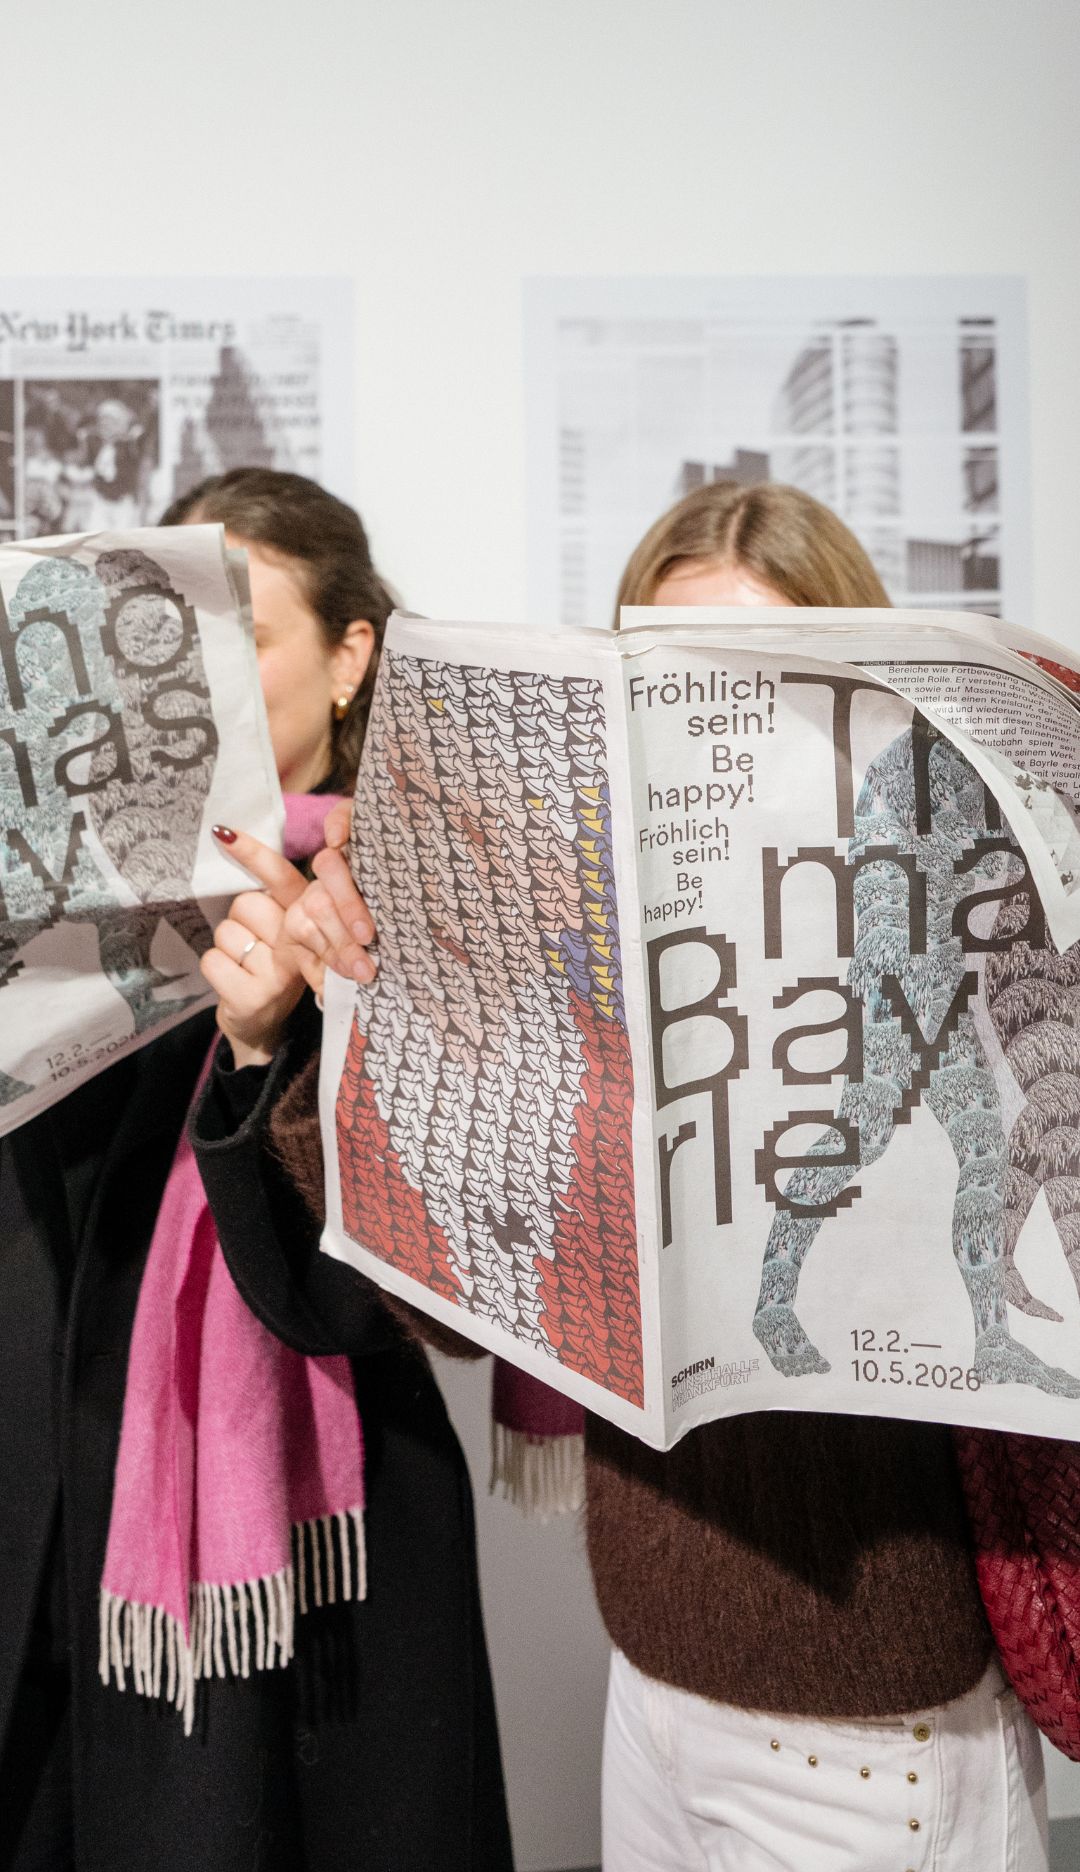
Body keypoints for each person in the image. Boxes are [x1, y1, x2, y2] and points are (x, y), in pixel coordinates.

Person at [253, 480, 1049, 1872]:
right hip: (655, 1698)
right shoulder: (585, 946)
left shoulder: (958, 913)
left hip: (873, 1729)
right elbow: (454, 1314)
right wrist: (351, 1040)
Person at [0, 466, 513, 1872]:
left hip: (320, 1562)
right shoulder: (63, 874)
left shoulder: (427, 891)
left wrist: (258, 1048)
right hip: (71, 1530)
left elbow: (391, 1301)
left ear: (353, 658)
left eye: (255, 627)